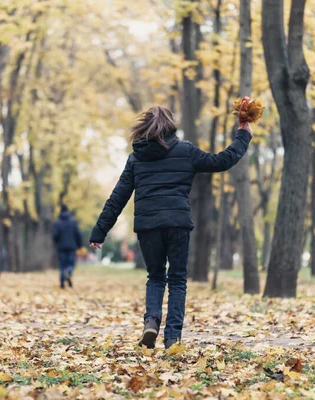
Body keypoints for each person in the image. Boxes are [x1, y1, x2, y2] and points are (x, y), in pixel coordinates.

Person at [89, 105, 252, 349]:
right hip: (177, 224)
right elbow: (222, 161)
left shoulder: (136, 158)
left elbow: (118, 197)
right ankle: (173, 337)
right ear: (170, 125)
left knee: (155, 277)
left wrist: (99, 231)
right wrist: (243, 133)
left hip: (148, 226)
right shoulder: (185, 151)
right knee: (177, 280)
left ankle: (152, 322)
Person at [53, 205, 83, 289]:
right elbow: (78, 234)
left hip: (61, 247)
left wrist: (56, 243)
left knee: (63, 265)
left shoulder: (57, 222)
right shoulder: (73, 221)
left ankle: (62, 283)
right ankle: (69, 274)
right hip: (71, 247)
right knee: (70, 264)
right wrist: (79, 245)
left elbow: (55, 235)